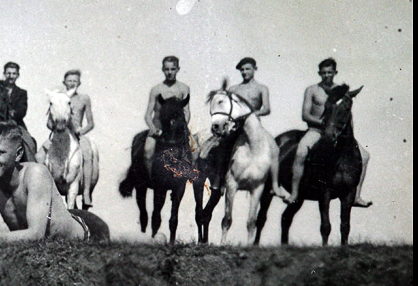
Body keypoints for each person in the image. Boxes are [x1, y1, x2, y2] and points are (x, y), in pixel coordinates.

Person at [0, 121, 110, 242]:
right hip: (58, 222)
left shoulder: (35, 174)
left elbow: (35, 235)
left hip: (89, 231)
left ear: (18, 155)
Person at [284, 58, 371, 206]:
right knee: (300, 153)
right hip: (316, 131)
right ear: (319, 73)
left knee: (364, 155)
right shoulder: (312, 90)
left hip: (337, 133)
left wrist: (346, 133)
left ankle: (356, 196)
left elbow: (347, 115)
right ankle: (294, 193)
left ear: (335, 73)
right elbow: (305, 115)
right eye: (323, 72)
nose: (326, 75)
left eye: (329, 72)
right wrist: (324, 124)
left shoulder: (341, 91)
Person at [201, 57, 288, 198]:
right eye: (242, 70)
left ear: (255, 69)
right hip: (236, 127)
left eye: (248, 69)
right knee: (222, 147)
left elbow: (266, 109)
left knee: (275, 149)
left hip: (254, 127)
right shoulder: (234, 89)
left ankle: (275, 186)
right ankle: (219, 181)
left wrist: (250, 114)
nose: (245, 72)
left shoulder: (261, 88)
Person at [43, 70, 96, 207]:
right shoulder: (57, 97)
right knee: (40, 155)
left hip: (77, 134)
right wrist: (55, 127)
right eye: (69, 80)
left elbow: (91, 123)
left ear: (79, 83)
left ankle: (86, 193)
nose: (72, 83)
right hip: (59, 134)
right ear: (64, 82)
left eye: (75, 81)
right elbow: (49, 122)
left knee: (87, 153)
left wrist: (81, 131)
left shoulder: (84, 98)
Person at [143, 56, 190, 177]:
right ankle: (150, 178)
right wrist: (153, 128)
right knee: (148, 151)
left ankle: (183, 179)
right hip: (159, 128)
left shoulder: (184, 89)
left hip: (177, 129)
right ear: (163, 70)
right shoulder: (156, 89)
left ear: (178, 69)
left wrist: (183, 127)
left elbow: (187, 111)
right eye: (167, 69)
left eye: (173, 69)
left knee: (194, 153)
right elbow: (148, 115)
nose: (170, 72)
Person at [2, 61, 38, 159]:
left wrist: (13, 113)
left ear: (17, 75)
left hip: (16, 124)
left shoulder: (21, 93)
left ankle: (30, 164)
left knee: (29, 142)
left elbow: (22, 110)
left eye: (14, 73)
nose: (11, 76)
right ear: (4, 74)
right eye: (8, 73)